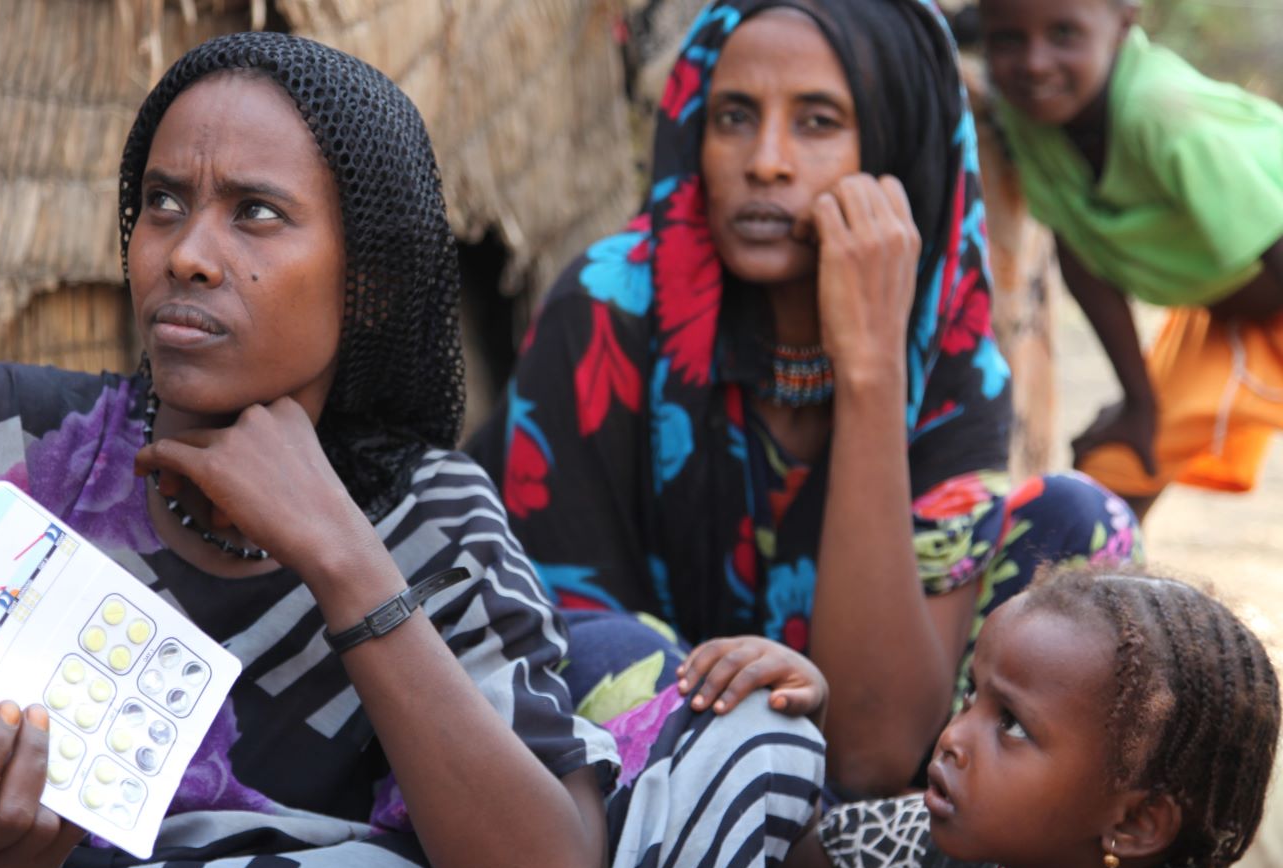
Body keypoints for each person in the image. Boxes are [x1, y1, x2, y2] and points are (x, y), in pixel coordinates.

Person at [0, 32, 824, 868]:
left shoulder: (428, 521)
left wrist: (340, 558)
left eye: (254, 214)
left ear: (365, 280)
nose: (186, 252)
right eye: (162, 203)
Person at [468, 0, 1139, 798]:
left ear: (897, 142)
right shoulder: (607, 309)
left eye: (818, 121)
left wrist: (870, 370)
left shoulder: (951, 360)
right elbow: (561, 632)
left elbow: (879, 748)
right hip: (655, 756)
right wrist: (756, 710)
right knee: (605, 648)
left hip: (872, 767)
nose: (767, 161)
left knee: (1078, 525)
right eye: (734, 117)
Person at [767, 565, 1280, 868]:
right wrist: (800, 726)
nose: (953, 737)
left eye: (1011, 723)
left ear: (1134, 822)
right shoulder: (917, 843)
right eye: (970, 695)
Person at [978, 0, 1283, 520]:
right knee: (1116, 468)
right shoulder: (1030, 115)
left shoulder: (1162, 111)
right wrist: (1139, 403)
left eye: (1064, 33)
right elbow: (1079, 256)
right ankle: (1106, 599)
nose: (1034, 63)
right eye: (1008, 39)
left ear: (1124, 20)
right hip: (1226, 309)